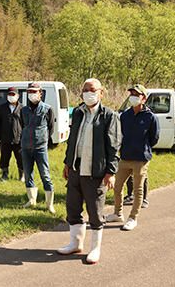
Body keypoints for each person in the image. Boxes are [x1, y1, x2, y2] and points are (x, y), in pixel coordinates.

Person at [57, 78, 121, 264]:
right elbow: (72, 141)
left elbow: (114, 146)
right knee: (73, 208)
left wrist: (110, 172)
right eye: (84, 90)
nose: (87, 93)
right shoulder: (78, 112)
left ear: (101, 92)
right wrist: (68, 163)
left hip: (96, 173)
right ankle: (75, 244)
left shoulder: (109, 115)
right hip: (76, 169)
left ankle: (95, 248)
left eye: (92, 90)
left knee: (95, 212)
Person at [106, 84, 160, 230]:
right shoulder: (125, 115)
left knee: (138, 190)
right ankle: (118, 213)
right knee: (117, 187)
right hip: (124, 157)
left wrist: (143, 148)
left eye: (137, 95)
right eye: (132, 94)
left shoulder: (150, 117)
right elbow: (119, 134)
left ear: (144, 98)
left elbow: (154, 138)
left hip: (140, 159)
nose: (133, 97)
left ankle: (133, 218)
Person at [20, 82, 56, 214]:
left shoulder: (47, 109)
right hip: (25, 147)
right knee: (28, 174)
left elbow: (51, 127)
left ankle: (49, 204)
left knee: (45, 175)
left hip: (40, 148)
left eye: (34, 91)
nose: (32, 94)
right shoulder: (23, 110)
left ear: (40, 93)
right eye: (30, 92)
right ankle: (31, 200)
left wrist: (42, 140)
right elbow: (22, 126)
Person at [0, 87, 24, 182]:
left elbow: (25, 124)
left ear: (18, 96)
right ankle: (4, 175)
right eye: (9, 95)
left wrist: (23, 136)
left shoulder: (23, 108)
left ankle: (22, 175)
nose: (11, 96)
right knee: (4, 157)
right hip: (5, 138)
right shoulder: (2, 108)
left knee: (20, 158)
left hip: (18, 139)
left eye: (13, 94)